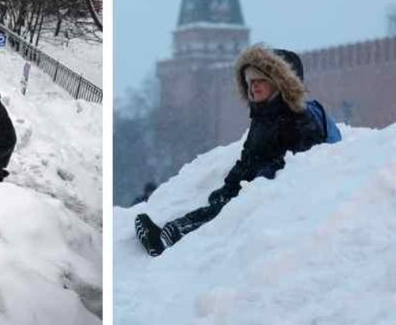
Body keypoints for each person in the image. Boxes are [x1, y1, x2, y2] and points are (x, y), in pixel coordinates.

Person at [135, 46, 327, 257]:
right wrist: (230, 186)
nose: (253, 87)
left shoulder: (299, 119)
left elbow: (299, 163)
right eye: (250, 82)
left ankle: (169, 241)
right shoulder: (262, 119)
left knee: (222, 215)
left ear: (278, 83)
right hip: (250, 189)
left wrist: (260, 182)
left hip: (268, 197)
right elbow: (247, 160)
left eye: (259, 81)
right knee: (216, 208)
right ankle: (166, 235)